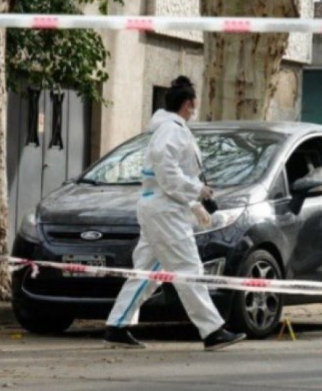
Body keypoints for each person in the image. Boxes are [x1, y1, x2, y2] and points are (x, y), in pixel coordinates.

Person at [104, 76, 246, 351]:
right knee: (189, 270)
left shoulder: (166, 129)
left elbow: (164, 176)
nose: (194, 110)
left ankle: (118, 325)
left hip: (160, 207)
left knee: (147, 272)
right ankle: (212, 330)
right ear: (188, 104)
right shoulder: (172, 131)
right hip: (166, 211)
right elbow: (166, 171)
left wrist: (193, 203)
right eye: (194, 105)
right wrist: (196, 191)